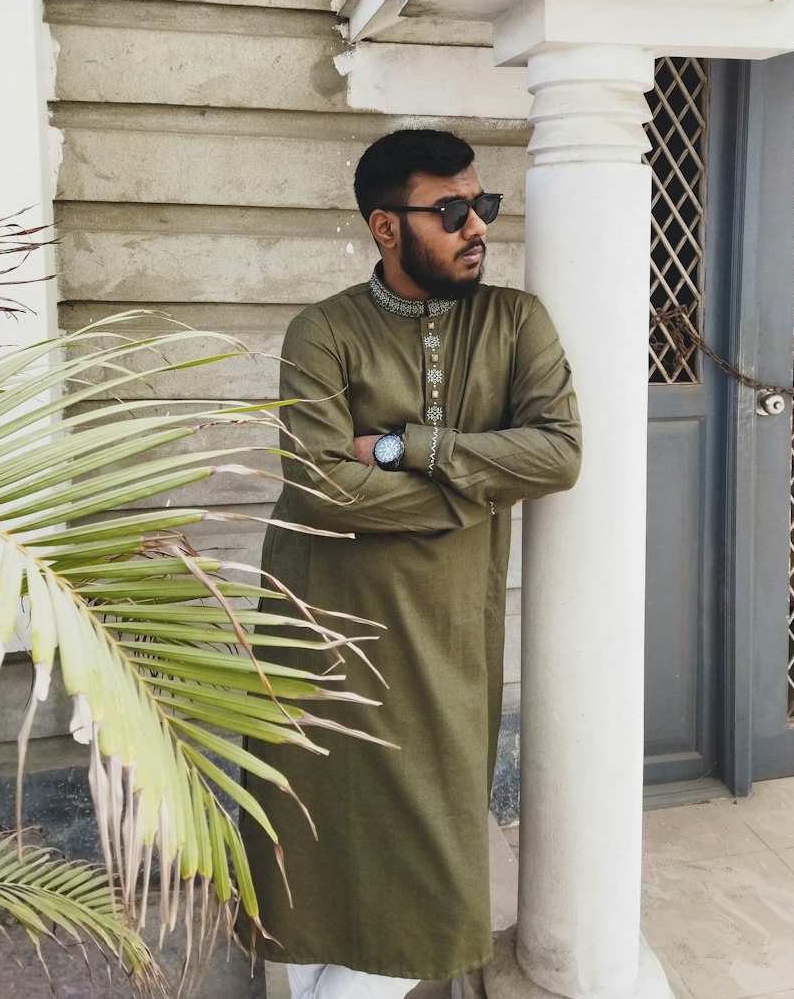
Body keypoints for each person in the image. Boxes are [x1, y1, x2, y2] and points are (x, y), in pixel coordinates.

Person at [241, 129, 581, 999]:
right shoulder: (323, 331)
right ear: (386, 228)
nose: (478, 228)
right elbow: (319, 486)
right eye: (453, 211)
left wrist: (406, 445)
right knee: (309, 845)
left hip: (444, 636)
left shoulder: (516, 321)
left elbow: (556, 455)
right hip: (318, 631)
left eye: (484, 206)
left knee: (432, 859)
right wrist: (475, 486)